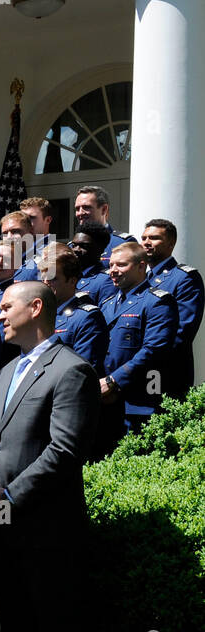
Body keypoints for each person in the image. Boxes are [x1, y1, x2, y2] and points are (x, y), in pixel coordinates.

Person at [0, 281, 100, 632]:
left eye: (7, 307)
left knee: (52, 623)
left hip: (43, 526)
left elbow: (65, 450)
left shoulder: (71, 370)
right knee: (8, 623)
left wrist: (9, 496)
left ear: (37, 307)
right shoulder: (7, 371)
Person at [99, 241, 178, 443]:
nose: (113, 271)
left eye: (121, 265)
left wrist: (114, 381)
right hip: (105, 400)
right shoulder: (107, 304)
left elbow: (153, 350)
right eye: (111, 266)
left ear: (141, 266)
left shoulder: (158, 301)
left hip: (137, 401)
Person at [141, 218, 203, 399]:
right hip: (136, 370)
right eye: (144, 238)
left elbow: (182, 330)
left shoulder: (184, 278)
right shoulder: (140, 278)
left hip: (165, 371)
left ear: (171, 243)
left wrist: (144, 357)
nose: (146, 242)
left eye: (154, 238)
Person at [36, 242, 108, 374]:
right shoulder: (40, 314)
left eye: (52, 279)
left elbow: (82, 369)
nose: (46, 284)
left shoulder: (87, 318)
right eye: (43, 279)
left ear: (72, 281)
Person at [74, 185, 135, 267]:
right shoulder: (72, 246)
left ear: (104, 209)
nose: (80, 213)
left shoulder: (122, 243)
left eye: (86, 207)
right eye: (77, 209)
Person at [68, 223, 119, 305]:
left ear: (100, 249)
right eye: (74, 245)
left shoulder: (107, 280)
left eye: (84, 246)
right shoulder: (67, 275)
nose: (76, 250)